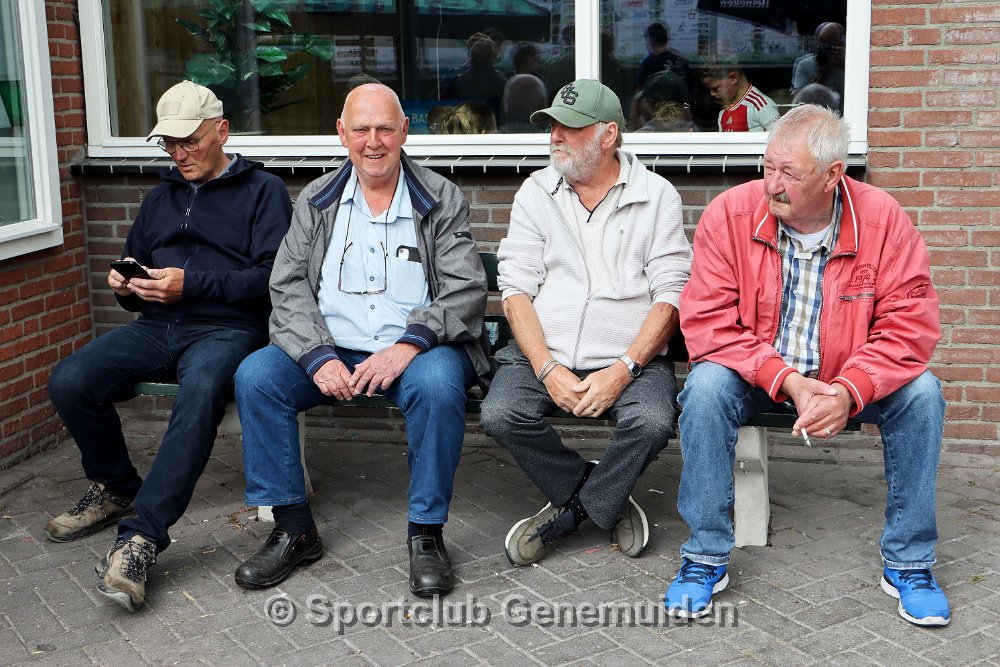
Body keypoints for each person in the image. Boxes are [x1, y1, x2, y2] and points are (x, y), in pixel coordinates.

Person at [665, 105, 951, 628]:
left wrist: (848, 390)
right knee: (704, 388)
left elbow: (909, 326)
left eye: (788, 173)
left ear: (833, 174)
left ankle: (909, 563)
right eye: (767, 167)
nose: (771, 184)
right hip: (757, 374)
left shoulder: (883, 220)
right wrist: (787, 380)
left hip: (849, 376)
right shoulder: (729, 214)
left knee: (923, 394)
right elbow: (707, 323)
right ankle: (704, 556)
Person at [233, 83, 489, 598]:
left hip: (417, 350)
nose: (374, 142)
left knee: (438, 386)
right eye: (361, 129)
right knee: (256, 377)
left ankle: (426, 533)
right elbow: (286, 285)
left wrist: (408, 346)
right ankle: (294, 528)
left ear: (404, 131)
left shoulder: (440, 197)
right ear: (341, 133)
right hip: (334, 346)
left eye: (385, 129)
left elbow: (465, 288)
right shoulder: (317, 199)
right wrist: (316, 355)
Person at [45, 81, 292, 611]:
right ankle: (115, 486)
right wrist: (127, 285)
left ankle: (142, 537)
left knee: (199, 393)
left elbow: (273, 279)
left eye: (189, 141)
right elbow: (136, 272)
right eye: (169, 144)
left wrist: (191, 284)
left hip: (229, 329)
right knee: (69, 379)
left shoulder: (264, 191)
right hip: (156, 327)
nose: (179, 154)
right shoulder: (160, 197)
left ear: (222, 131)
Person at [481, 79, 692, 566]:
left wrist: (624, 369)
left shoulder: (656, 196)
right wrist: (546, 367)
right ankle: (601, 494)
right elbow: (516, 290)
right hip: (545, 350)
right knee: (501, 413)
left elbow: (670, 295)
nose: (555, 136)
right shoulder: (537, 191)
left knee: (652, 421)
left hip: (629, 356)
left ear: (608, 134)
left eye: (570, 127)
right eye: (552, 125)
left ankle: (573, 512)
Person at [700, 65, 780, 132]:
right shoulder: (724, 111)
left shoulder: (760, 105)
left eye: (715, 88)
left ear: (733, 78)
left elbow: (778, 140)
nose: (712, 94)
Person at [790, 22, 846, 107]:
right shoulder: (805, 65)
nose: (829, 52)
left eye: (833, 47)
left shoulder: (849, 64)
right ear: (817, 44)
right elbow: (798, 103)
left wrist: (844, 65)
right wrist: (823, 75)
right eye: (825, 47)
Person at [631, 71, 696, 132]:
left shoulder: (641, 136)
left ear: (658, 101)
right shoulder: (695, 132)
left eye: (646, 101)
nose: (641, 105)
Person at [633, 22, 691, 90]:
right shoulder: (683, 61)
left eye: (646, 39)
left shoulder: (647, 63)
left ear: (651, 40)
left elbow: (638, 91)